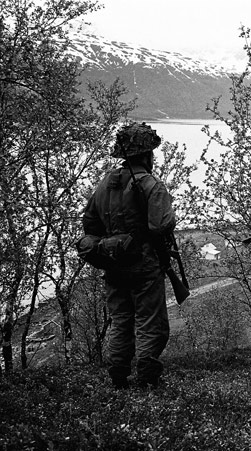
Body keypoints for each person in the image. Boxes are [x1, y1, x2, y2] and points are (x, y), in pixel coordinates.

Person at [82, 122, 176, 389]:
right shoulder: (151, 184)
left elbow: (90, 224)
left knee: (121, 320)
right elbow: (160, 226)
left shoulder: (105, 183)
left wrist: (113, 242)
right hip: (144, 264)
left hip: (113, 264)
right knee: (150, 322)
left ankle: (118, 374)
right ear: (146, 155)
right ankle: (147, 375)